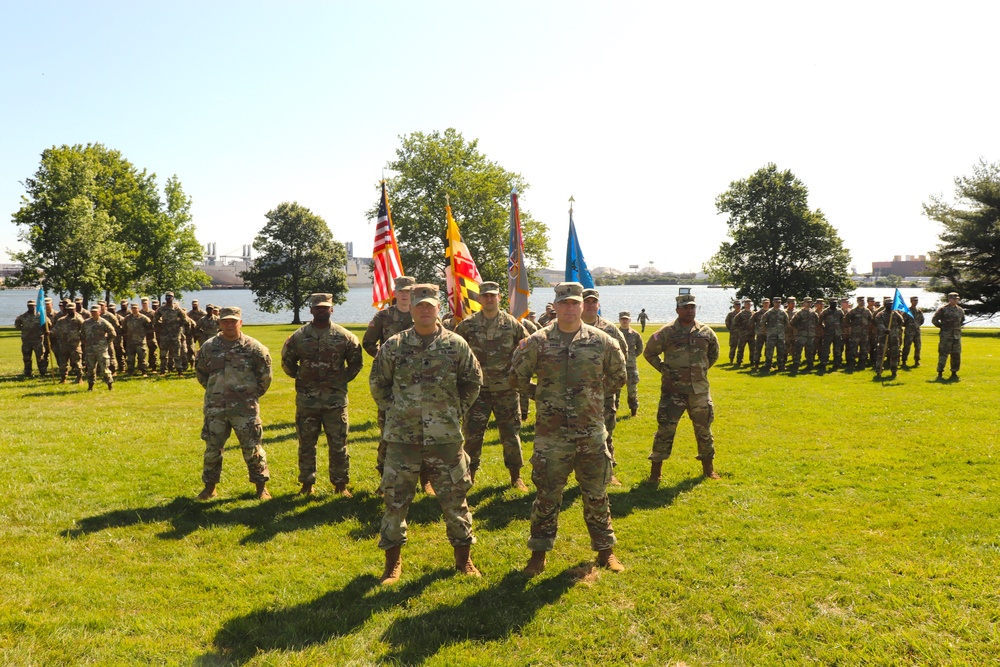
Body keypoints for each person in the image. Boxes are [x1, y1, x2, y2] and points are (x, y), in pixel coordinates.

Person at [509, 282, 627, 576]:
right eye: (565, 303)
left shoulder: (602, 341)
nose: (571, 308)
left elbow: (618, 376)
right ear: (556, 305)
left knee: (597, 494)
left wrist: (592, 397)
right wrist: (544, 395)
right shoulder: (537, 341)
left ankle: (605, 551)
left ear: (584, 305)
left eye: (575, 303)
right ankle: (538, 554)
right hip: (552, 435)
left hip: (590, 432)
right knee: (547, 495)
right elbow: (516, 377)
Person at [369, 284, 484, 584]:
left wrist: (456, 410)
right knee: (395, 501)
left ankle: (464, 560)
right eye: (418, 305)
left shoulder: (455, 344)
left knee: (455, 499)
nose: (423, 309)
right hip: (402, 439)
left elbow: (473, 380)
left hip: (445, 438)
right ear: (411, 308)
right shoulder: (394, 346)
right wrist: (394, 411)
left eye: (429, 305)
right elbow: (378, 383)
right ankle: (392, 565)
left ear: (438, 308)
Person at [281, 293, 364, 496]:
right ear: (311, 310)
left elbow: (356, 363)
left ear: (332, 309)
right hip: (307, 401)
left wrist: (340, 381)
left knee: (338, 444)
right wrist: (303, 379)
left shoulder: (344, 336)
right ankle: (307, 484)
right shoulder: (298, 337)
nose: (321, 310)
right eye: (317, 307)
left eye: (325, 307)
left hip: (335, 401)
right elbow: (287, 363)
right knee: (307, 444)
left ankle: (340, 485)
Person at [454, 281, 530, 489]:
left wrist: (519, 374)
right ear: (479, 299)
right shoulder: (467, 325)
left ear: (499, 298)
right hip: (477, 391)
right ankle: (469, 474)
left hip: (506, 390)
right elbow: (455, 352)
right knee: (472, 435)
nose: (489, 299)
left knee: (511, 435)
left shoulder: (512, 324)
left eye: (493, 295)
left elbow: (527, 348)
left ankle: (516, 476)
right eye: (485, 295)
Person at [363, 276, 433, 494]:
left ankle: (426, 480)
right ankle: (385, 480)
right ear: (395, 292)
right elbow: (367, 342)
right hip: (394, 384)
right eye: (401, 291)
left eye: (408, 291)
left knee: (426, 432)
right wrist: (383, 360)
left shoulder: (422, 314)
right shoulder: (384, 316)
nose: (404, 294)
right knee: (388, 432)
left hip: (423, 383)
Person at [194, 306, 272, 501]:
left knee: (252, 448)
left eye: (233, 321)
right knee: (213, 448)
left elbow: (265, 377)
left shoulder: (254, 348)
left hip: (245, 409)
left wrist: (249, 395)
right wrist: (216, 392)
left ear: (240, 322)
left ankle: (261, 488)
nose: (229, 325)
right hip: (216, 408)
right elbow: (202, 374)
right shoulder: (209, 347)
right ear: (219, 323)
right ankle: (209, 488)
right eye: (225, 321)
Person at [643, 291, 720, 482]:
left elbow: (713, 354)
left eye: (692, 307)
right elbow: (649, 353)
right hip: (673, 392)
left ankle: (708, 469)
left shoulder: (706, 332)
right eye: (685, 307)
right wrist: (665, 370)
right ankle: (655, 473)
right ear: (677, 310)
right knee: (665, 431)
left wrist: (700, 370)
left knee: (704, 430)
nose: (689, 310)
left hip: (699, 392)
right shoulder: (666, 332)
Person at [581, 288, 629, 485]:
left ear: (598, 305)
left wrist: (607, 385)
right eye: (587, 301)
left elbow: (622, 357)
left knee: (606, 431)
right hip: (574, 392)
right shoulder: (570, 326)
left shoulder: (610, 329)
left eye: (594, 302)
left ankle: (609, 472)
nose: (591, 305)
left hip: (604, 392)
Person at [82, 305, 116, 390]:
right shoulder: (86, 323)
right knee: (90, 369)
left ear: (99, 312)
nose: (93, 313)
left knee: (105, 369)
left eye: (95, 312)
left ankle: (110, 385)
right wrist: (86, 342)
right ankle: (90, 387)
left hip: (101, 350)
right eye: (92, 312)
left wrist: (106, 342)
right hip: (90, 350)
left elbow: (113, 334)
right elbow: (82, 334)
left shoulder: (104, 322)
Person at [932, 292, 965, 380]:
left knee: (956, 355)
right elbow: (934, 320)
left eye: (956, 299)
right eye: (953, 299)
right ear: (949, 299)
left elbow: (962, 320)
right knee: (943, 354)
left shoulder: (960, 310)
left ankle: (954, 372)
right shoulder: (943, 309)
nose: (955, 300)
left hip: (956, 336)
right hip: (946, 336)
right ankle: (940, 372)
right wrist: (943, 327)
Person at [153, 291, 187, 375]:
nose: (169, 298)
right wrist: (160, 326)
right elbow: (155, 320)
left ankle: (179, 371)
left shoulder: (177, 308)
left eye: (170, 297)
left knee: (177, 353)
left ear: (173, 298)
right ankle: (162, 370)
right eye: (167, 297)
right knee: (163, 353)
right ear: (165, 298)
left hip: (175, 334)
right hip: (164, 334)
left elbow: (185, 319)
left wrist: (178, 325)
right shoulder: (161, 309)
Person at [617, 311, 644, 416]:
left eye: (626, 319)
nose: (624, 321)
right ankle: (613, 412)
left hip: (631, 367)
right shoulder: (615, 333)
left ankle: (634, 412)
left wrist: (631, 357)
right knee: (615, 391)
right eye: (622, 319)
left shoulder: (635, 334)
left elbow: (640, 348)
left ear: (629, 320)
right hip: (617, 366)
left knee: (632, 391)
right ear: (619, 320)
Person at [51, 303, 85, 384]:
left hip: (75, 345)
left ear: (75, 309)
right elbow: (55, 330)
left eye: (72, 309)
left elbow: (84, 330)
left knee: (77, 363)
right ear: (66, 310)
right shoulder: (61, 320)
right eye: (69, 309)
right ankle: (63, 379)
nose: (70, 311)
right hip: (63, 345)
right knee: (63, 363)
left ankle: (79, 378)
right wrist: (50, 333)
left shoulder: (79, 319)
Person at [14, 300, 48, 377]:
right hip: (26, 341)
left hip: (38, 341)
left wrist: (44, 331)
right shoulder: (22, 316)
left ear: (35, 306)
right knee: (27, 358)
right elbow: (17, 327)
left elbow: (48, 325)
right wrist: (24, 329)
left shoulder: (40, 316)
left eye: (32, 305)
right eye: (29, 305)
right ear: (27, 306)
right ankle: (27, 372)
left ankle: (43, 372)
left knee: (40, 357)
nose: (31, 307)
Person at [873, 296, 904, 379]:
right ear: (885, 305)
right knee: (881, 354)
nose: (890, 306)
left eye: (891, 304)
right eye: (888, 304)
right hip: (884, 337)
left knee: (894, 354)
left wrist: (896, 329)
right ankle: (879, 370)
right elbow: (879, 323)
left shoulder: (895, 313)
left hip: (894, 337)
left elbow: (901, 321)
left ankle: (894, 370)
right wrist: (885, 329)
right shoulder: (880, 314)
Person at [518, 311, 540, 420]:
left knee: (524, 388)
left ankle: (524, 413)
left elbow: (535, 339)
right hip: (514, 360)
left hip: (526, 359)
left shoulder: (528, 325)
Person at [790, 297, 819, 373]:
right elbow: (792, 323)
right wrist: (798, 330)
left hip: (810, 336)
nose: (808, 304)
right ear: (804, 303)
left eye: (810, 302)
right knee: (798, 351)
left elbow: (817, 323)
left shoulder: (813, 313)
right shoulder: (799, 313)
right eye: (807, 302)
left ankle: (809, 367)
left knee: (810, 352)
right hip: (801, 336)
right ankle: (796, 366)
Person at [122, 303, 152, 376]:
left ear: (138, 309)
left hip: (140, 342)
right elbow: (124, 327)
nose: (134, 309)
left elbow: (150, 326)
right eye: (133, 308)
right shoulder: (127, 318)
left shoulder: (144, 318)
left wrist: (144, 334)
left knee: (142, 357)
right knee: (130, 358)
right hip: (130, 342)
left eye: (135, 308)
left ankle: (143, 371)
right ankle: (130, 371)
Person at [761, 298, 788, 373]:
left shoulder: (783, 313)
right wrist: (767, 330)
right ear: (773, 303)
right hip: (771, 336)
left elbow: (787, 323)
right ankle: (768, 366)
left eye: (779, 302)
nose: (778, 304)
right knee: (769, 351)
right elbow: (762, 322)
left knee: (781, 351)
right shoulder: (769, 312)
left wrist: (783, 330)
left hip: (780, 336)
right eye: (776, 302)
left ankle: (781, 366)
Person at [846, 296, 872, 372]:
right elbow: (846, 320)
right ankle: (852, 364)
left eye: (863, 301)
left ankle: (862, 364)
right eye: (860, 301)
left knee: (864, 350)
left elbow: (871, 320)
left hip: (864, 334)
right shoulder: (853, 311)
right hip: (855, 334)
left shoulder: (867, 311)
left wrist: (868, 328)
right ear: (857, 301)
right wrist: (851, 326)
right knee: (853, 350)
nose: (862, 302)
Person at [748, 297, 770, 371]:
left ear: (769, 303)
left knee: (769, 349)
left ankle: (767, 364)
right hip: (760, 334)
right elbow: (751, 322)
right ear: (762, 304)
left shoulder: (771, 313)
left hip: (769, 334)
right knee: (758, 349)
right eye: (764, 303)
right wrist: (756, 329)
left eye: (767, 303)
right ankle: (756, 364)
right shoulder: (757, 313)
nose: (766, 304)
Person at [902, 295, 923, 368]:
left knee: (918, 346)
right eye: (914, 300)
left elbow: (922, 320)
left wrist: (917, 325)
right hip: (909, 332)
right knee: (907, 346)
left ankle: (917, 360)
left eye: (916, 300)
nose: (915, 302)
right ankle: (904, 360)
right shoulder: (907, 311)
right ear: (911, 301)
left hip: (917, 332)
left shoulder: (919, 311)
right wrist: (909, 326)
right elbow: (903, 321)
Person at [731, 299, 753, 367]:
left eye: (749, 304)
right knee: (740, 349)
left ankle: (752, 361)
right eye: (747, 304)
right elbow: (735, 323)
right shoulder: (740, 314)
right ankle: (739, 361)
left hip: (751, 335)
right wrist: (740, 330)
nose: (748, 305)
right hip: (743, 335)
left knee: (752, 349)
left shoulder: (753, 313)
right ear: (744, 305)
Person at [139, 297, 158, 372]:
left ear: (148, 303)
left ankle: (153, 366)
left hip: (150, 334)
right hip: (141, 335)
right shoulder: (139, 313)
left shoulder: (153, 313)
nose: (144, 304)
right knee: (141, 351)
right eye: (143, 303)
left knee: (152, 350)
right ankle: (141, 366)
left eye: (145, 303)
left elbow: (157, 323)